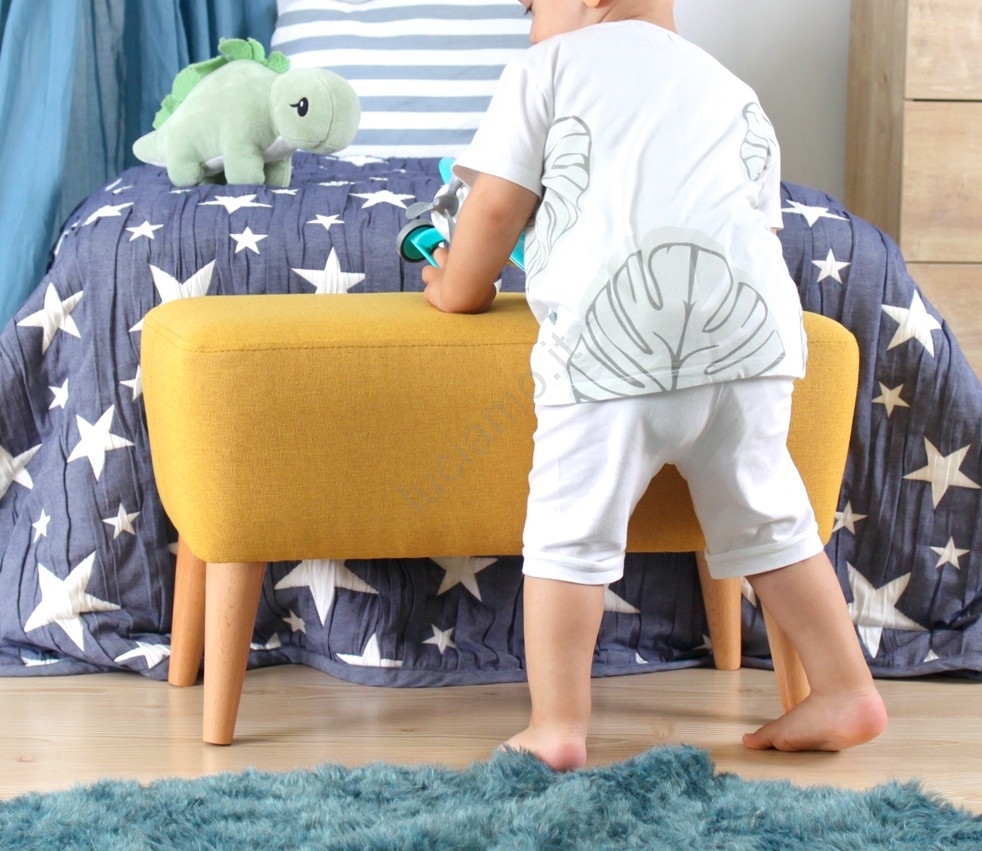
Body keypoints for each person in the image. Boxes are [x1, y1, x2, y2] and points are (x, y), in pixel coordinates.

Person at [420, 0, 887, 771]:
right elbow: (756, 228)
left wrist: (456, 288)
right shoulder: (732, 86)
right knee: (774, 519)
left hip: (615, 346)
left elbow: (496, 204)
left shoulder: (545, 68)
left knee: (568, 532)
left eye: (531, 6)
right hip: (754, 338)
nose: (529, 24)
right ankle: (845, 686)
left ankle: (557, 723)